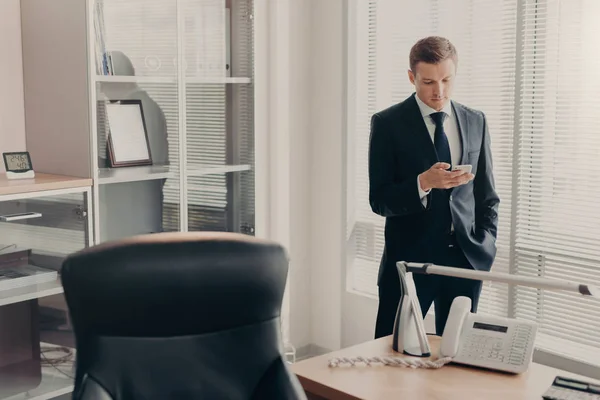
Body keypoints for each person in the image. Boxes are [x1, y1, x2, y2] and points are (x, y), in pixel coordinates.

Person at [369, 36, 500, 338]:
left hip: (465, 260)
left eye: (446, 80)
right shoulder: (387, 124)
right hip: (409, 263)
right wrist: (423, 182)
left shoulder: (475, 121)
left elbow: (487, 196)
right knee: (391, 353)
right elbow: (379, 199)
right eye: (428, 81)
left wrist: (486, 244)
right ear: (411, 77)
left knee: (457, 357)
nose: (438, 91)